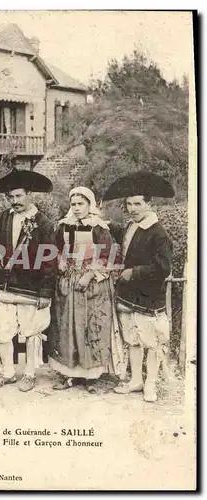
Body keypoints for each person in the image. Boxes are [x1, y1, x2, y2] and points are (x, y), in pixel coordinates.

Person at [0, 168, 57, 392]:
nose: (14, 201)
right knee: (1, 331)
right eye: (11, 197)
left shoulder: (43, 223)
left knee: (32, 331)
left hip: (32, 288)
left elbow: (50, 258)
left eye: (19, 196)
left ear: (29, 195)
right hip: (6, 284)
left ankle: (29, 374)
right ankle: (7, 373)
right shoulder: (2, 218)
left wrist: (45, 291)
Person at [103, 171, 174, 403]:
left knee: (151, 343)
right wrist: (106, 223)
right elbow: (125, 240)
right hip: (129, 296)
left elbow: (163, 268)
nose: (132, 208)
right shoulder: (131, 226)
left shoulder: (158, 233)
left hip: (148, 297)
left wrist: (134, 272)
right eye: (129, 204)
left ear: (148, 204)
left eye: (138, 204)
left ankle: (151, 384)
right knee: (132, 340)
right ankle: (136, 380)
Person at [48, 187, 126, 394]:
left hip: (92, 284)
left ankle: (92, 376)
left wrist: (89, 275)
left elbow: (108, 256)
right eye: (73, 204)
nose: (76, 208)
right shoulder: (64, 225)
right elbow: (56, 248)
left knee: (90, 326)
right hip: (69, 283)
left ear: (90, 205)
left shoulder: (99, 228)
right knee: (68, 326)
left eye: (80, 204)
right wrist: (60, 259)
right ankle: (68, 374)